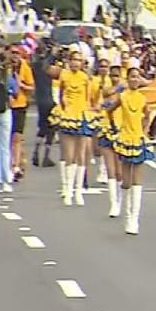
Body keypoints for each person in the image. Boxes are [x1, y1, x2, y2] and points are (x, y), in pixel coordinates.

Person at [107, 67, 153, 235]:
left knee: (138, 181)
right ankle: (126, 214)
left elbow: (148, 114)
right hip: (125, 138)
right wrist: (115, 128)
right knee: (126, 181)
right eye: (132, 77)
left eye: (137, 77)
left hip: (138, 138)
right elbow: (110, 110)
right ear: (127, 79)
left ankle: (134, 219)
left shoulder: (142, 98)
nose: (135, 80)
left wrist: (145, 129)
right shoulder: (123, 96)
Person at [54, 48, 95, 206]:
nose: (76, 63)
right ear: (69, 61)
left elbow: (88, 98)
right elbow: (60, 95)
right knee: (68, 155)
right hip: (68, 115)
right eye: (73, 60)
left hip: (82, 115)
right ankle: (67, 190)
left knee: (81, 155)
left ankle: (78, 191)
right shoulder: (64, 75)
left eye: (79, 60)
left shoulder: (85, 78)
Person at [0, 51, 18, 193]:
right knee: (6, 147)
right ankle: (6, 181)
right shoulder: (8, 77)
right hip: (5, 111)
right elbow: (15, 93)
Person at [98, 64, 124, 218]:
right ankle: (113, 203)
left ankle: (119, 201)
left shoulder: (126, 92)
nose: (114, 78)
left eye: (117, 75)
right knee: (111, 170)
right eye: (112, 75)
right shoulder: (107, 89)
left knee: (120, 172)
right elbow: (106, 93)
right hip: (107, 130)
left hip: (121, 132)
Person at [8, 45, 34, 182]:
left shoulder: (25, 68)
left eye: (17, 54)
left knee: (17, 137)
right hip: (6, 106)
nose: (14, 56)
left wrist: (21, 85)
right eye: (12, 53)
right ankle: (16, 162)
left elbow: (31, 87)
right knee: (9, 137)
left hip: (20, 106)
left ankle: (16, 166)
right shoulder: (4, 68)